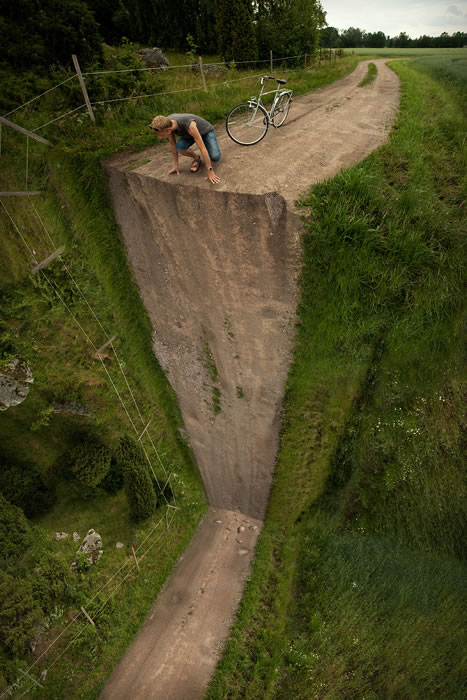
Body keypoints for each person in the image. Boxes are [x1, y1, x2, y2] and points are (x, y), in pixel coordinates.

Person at [150, 113, 221, 184]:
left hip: (205, 132)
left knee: (215, 157)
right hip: (189, 135)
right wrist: (176, 165)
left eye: (161, 135)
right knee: (179, 148)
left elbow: (202, 148)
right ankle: (196, 158)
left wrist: (210, 170)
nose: (159, 138)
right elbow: (172, 144)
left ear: (169, 130)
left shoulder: (189, 125)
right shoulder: (167, 123)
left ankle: (208, 143)